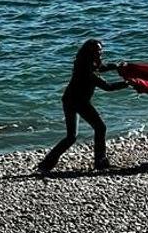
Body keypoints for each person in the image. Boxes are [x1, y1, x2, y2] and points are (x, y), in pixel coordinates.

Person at [38, 39, 130, 174]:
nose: (100, 53)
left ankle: (45, 165)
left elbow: (102, 67)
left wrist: (116, 66)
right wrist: (128, 83)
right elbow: (108, 87)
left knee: (71, 137)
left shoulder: (86, 63)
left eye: (101, 50)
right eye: (97, 51)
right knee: (100, 127)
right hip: (78, 102)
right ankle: (100, 162)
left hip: (69, 100)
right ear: (90, 52)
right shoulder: (86, 70)